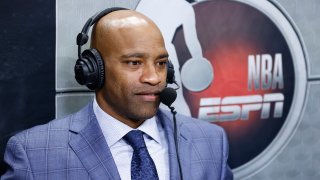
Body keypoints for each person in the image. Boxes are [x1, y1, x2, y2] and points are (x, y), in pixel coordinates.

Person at [1, 8, 233, 180]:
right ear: (93, 70)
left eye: (161, 63)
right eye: (134, 62)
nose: (154, 77)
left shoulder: (211, 141)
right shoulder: (33, 155)